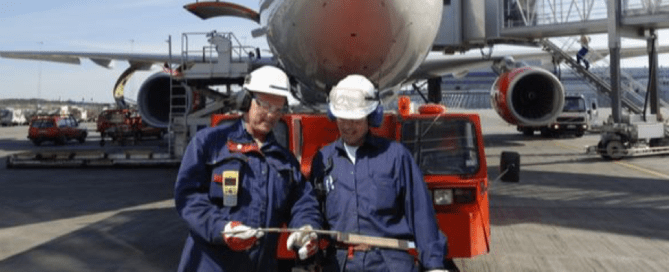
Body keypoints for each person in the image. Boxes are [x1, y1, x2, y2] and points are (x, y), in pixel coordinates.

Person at [174, 65, 322, 272]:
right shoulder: (209, 143)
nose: (271, 115)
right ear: (245, 101)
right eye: (264, 105)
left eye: (278, 109)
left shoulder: (285, 160)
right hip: (210, 265)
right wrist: (221, 229)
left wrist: (305, 228)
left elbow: (302, 201)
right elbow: (188, 198)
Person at [310, 75, 452, 272]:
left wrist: (434, 265)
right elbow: (310, 208)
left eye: (355, 119)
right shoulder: (323, 160)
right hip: (341, 264)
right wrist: (305, 229)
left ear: (371, 116)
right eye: (343, 119)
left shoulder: (396, 156)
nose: (348, 126)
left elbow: (420, 213)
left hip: (390, 263)